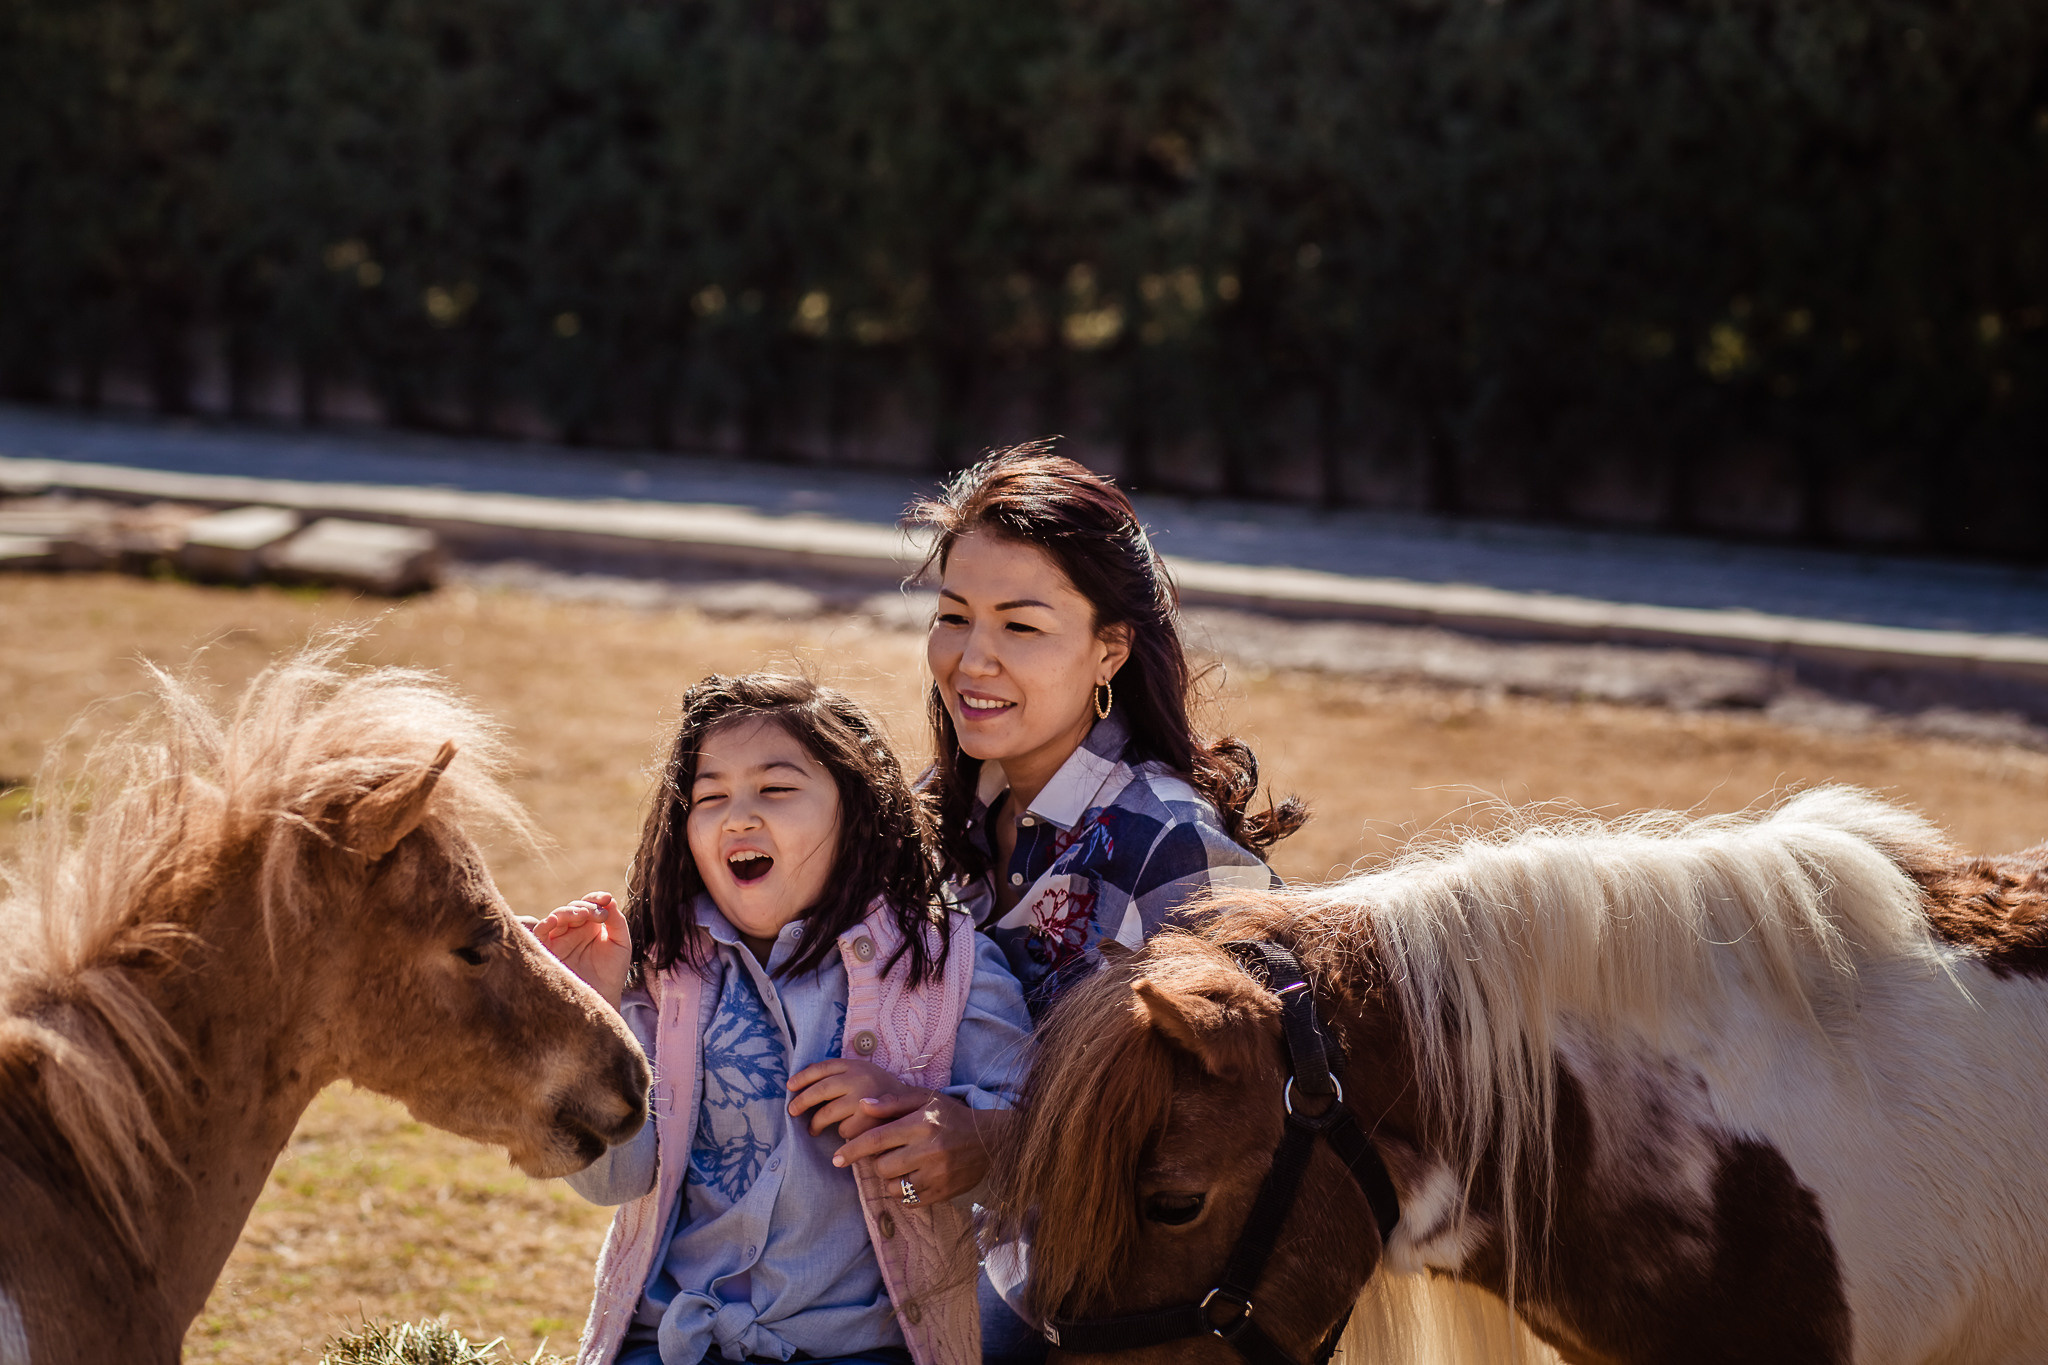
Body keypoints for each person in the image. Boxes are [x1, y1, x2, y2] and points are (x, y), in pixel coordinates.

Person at [828, 442, 1308, 1360]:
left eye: (1021, 626)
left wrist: (998, 1144)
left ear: (1110, 650)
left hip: (1129, 1304)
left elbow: (1257, 1130)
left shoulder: (1173, 845)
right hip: (961, 1247)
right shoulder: (944, 813)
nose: (972, 657)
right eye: (954, 615)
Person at [533, 674, 1031, 1365]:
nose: (737, 816)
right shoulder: (662, 972)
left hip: (865, 1351)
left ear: (859, 813)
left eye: (775, 789)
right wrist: (585, 1019)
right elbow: (613, 1180)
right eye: (710, 797)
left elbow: (1032, 1153)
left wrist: (930, 1117)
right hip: (671, 1346)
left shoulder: (945, 964)